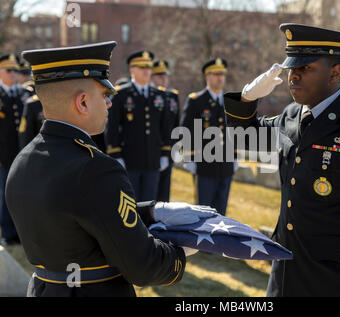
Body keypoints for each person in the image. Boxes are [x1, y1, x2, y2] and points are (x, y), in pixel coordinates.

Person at [6, 41, 211, 297]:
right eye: (104, 96)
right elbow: (143, 266)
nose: (110, 104)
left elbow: (81, 212)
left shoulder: (23, 160)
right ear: (82, 102)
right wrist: (182, 250)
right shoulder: (96, 169)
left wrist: (153, 211)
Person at [223, 24, 340, 296]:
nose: (293, 77)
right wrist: (246, 99)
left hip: (336, 281)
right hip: (285, 275)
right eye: (291, 69)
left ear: (335, 72)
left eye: (306, 69)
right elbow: (245, 139)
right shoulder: (290, 117)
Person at [106, 51, 170, 201]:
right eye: (142, 67)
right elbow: (112, 127)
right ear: (132, 70)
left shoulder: (159, 95)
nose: (147, 71)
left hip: (153, 160)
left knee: (150, 202)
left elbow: (165, 128)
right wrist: (116, 155)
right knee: (131, 201)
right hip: (130, 160)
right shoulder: (121, 94)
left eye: (148, 67)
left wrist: (165, 153)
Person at [180, 58, 236, 216]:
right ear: (207, 76)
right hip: (204, 166)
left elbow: (234, 131)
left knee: (222, 212)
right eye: (216, 74)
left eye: (223, 74)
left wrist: (236, 155)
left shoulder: (229, 102)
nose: (220, 78)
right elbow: (186, 130)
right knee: (203, 211)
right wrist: (189, 158)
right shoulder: (196, 101)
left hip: (225, 166)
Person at [0, 54, 26, 246]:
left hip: (20, 155)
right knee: (4, 195)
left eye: (16, 71)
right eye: (9, 71)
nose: (14, 74)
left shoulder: (21, 94)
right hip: (3, 156)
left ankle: (19, 232)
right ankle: (7, 234)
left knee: (19, 195)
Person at [151, 59, 180, 202]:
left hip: (168, 152)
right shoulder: (150, 97)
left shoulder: (173, 96)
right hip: (152, 151)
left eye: (166, 76)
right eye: (160, 76)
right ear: (152, 78)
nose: (164, 80)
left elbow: (176, 126)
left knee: (164, 196)